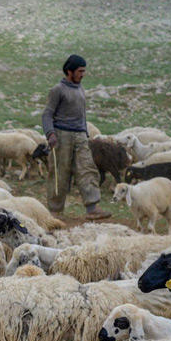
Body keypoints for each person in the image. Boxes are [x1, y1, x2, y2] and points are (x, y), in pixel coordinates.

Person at [42, 54, 111, 220]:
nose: (83, 74)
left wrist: (85, 134)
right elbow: (47, 114)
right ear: (69, 71)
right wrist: (50, 133)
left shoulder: (80, 89)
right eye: (80, 71)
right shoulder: (57, 90)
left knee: (87, 169)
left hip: (80, 135)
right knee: (60, 173)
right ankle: (55, 211)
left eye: (84, 71)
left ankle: (92, 207)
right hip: (61, 135)